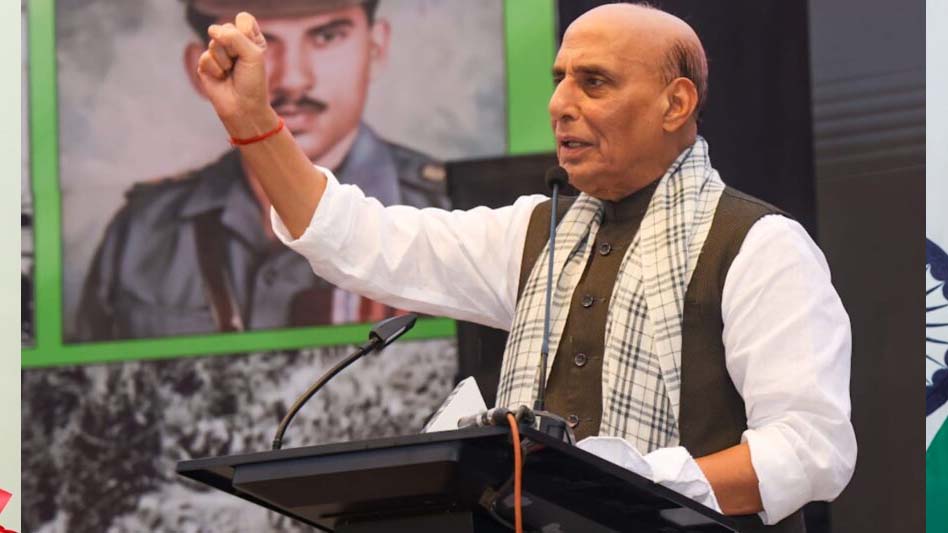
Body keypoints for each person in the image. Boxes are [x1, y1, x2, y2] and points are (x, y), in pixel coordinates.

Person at [194, 4, 856, 530]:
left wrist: (631, 485)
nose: (560, 103)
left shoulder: (759, 245)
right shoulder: (537, 233)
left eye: (593, 82)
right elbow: (358, 240)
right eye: (559, 79)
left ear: (675, 104)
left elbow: (810, 449)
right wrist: (254, 120)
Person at [74, 0, 449, 341]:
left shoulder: (447, 210)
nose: (293, 79)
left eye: (326, 36)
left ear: (375, 48)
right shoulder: (142, 233)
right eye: (256, 44)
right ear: (202, 68)